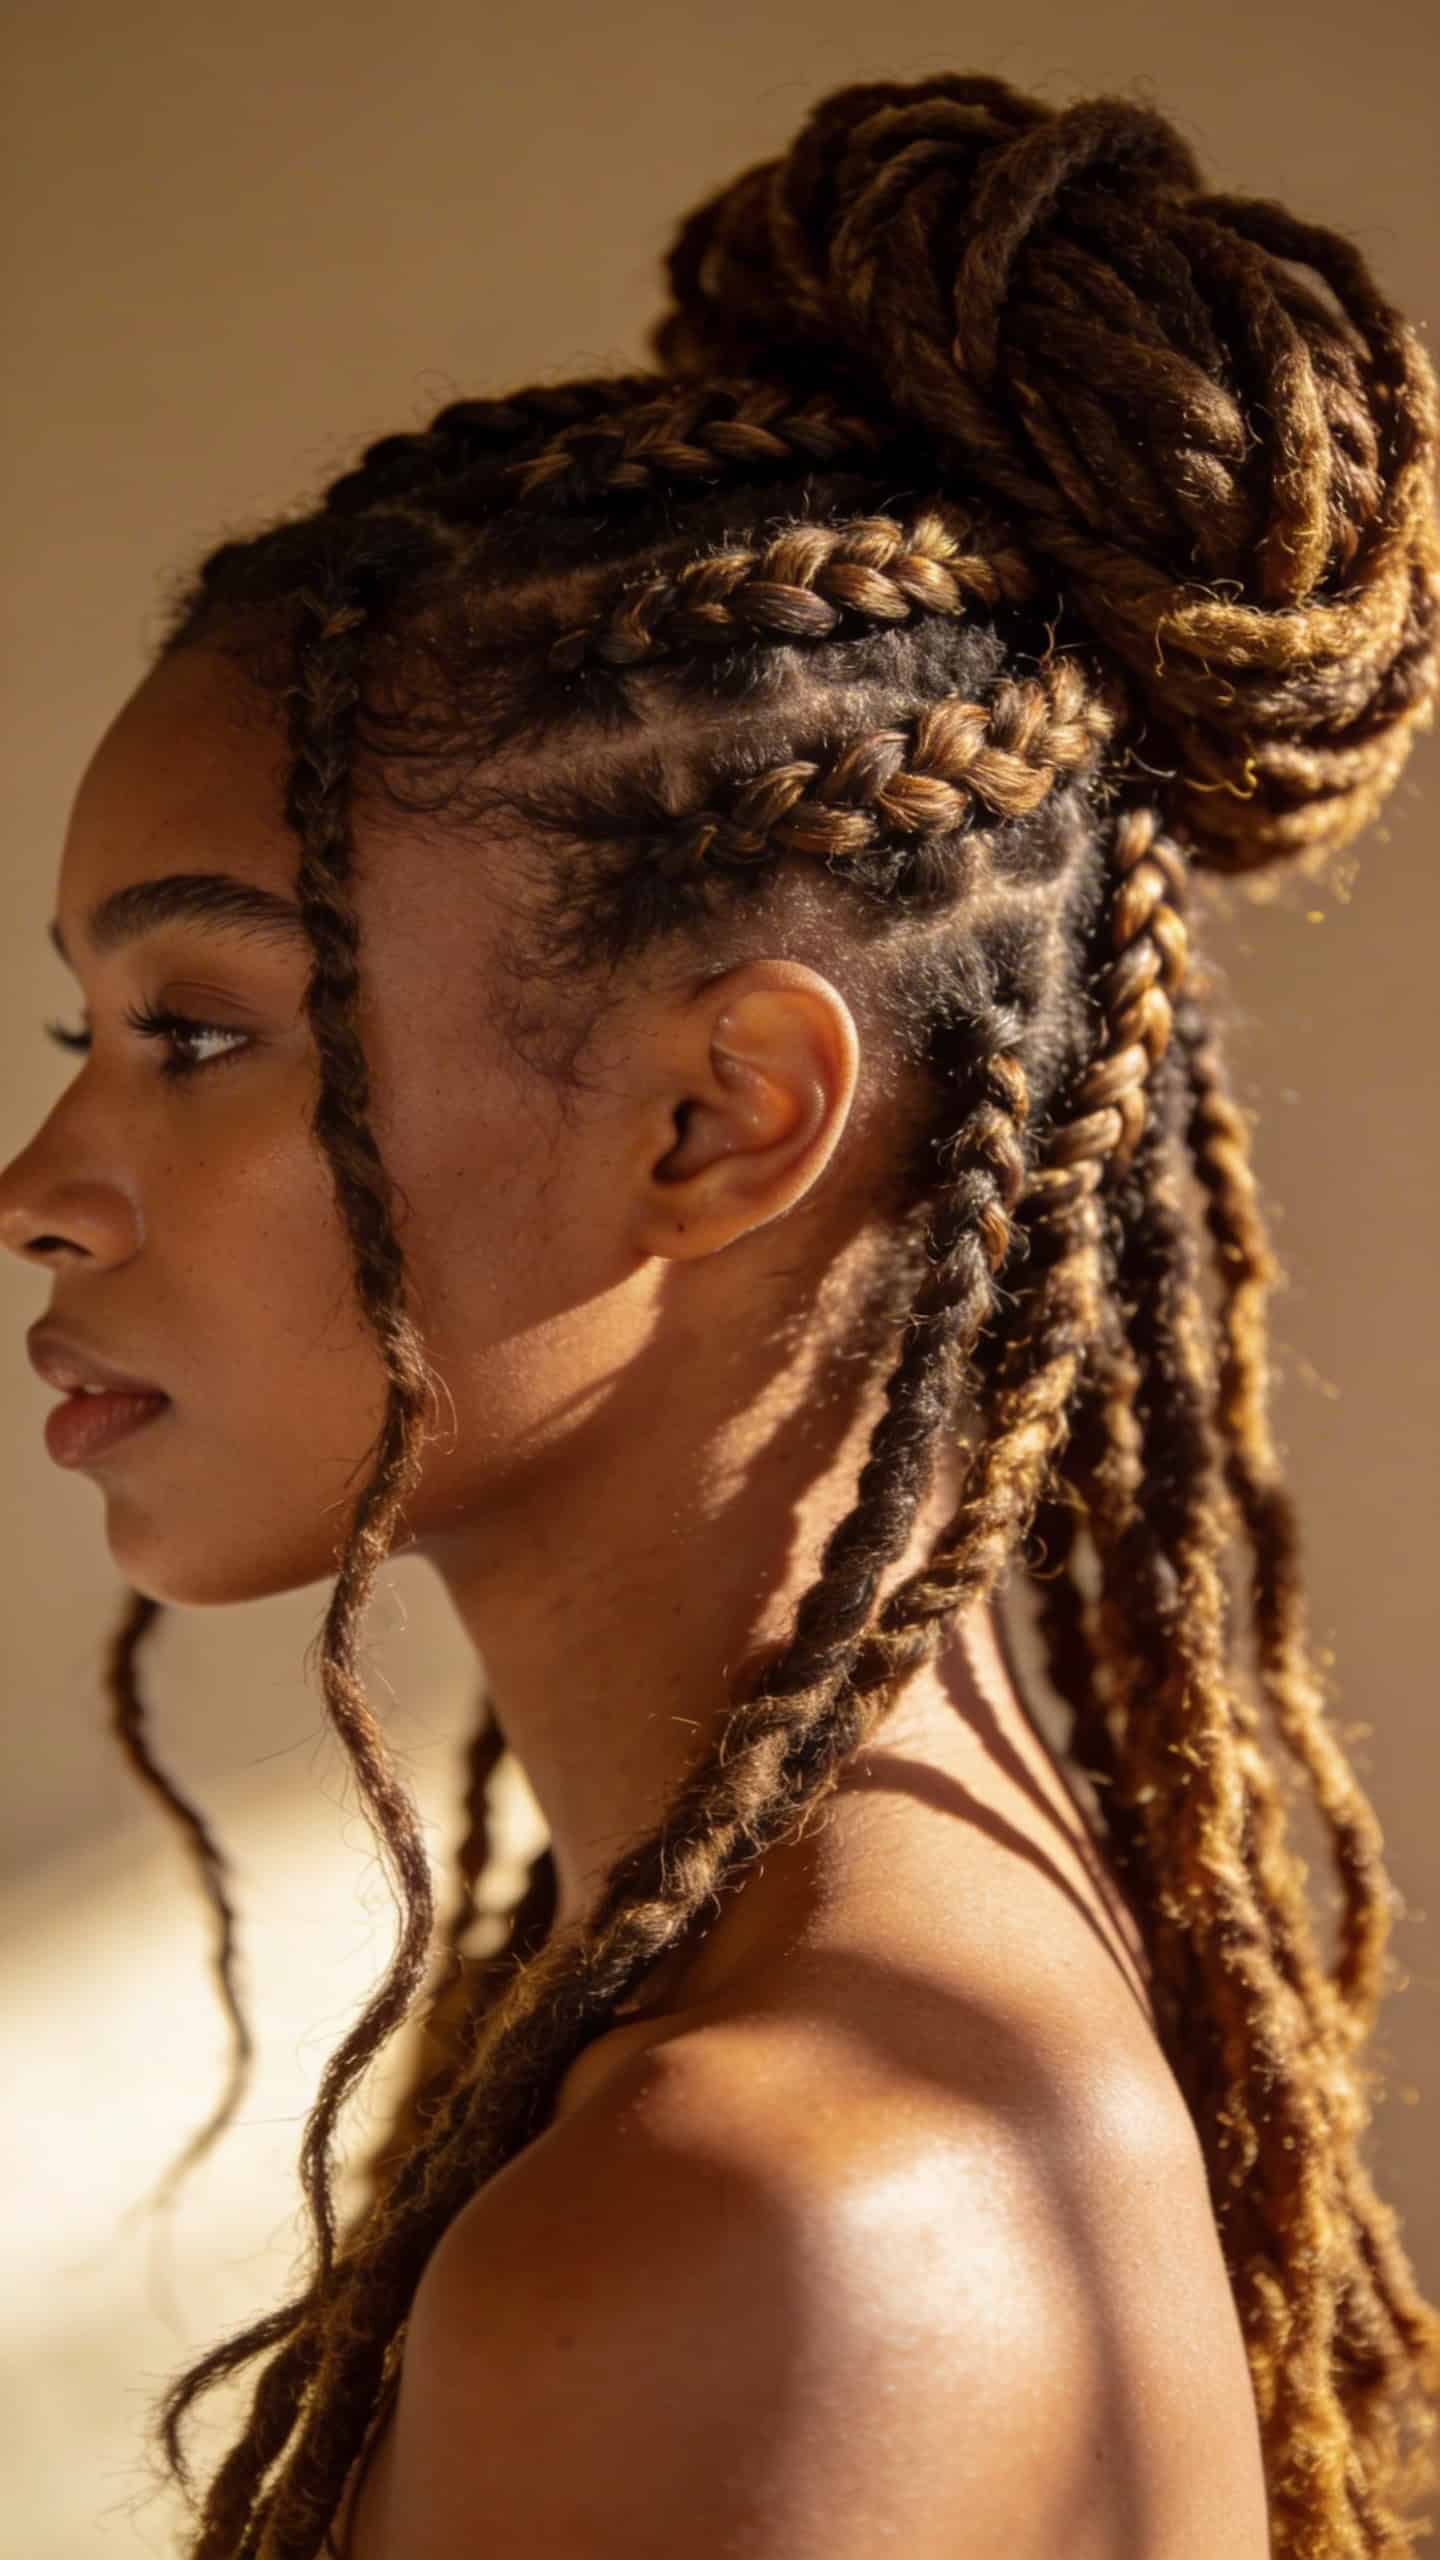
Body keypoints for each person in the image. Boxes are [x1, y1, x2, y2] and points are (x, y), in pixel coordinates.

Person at [4, 65, 1438, 2560]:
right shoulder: (823, 2063)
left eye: (200, 1031)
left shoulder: (754, 2223)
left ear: (723, 1115)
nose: (37, 1191)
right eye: (77, 1040)